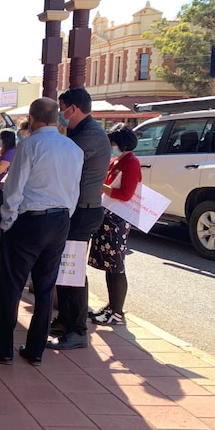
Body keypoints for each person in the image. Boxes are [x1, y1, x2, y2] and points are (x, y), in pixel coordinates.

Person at [0, 97, 83, 365]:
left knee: (10, 285)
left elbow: (14, 187)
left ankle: (1, 348)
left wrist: (7, 222)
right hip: (60, 220)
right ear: (57, 118)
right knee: (45, 288)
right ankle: (35, 350)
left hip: (30, 220)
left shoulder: (30, 145)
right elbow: (74, 189)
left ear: (33, 118)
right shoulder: (73, 148)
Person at [48, 88, 111, 350]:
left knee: (72, 270)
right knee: (66, 266)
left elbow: (61, 159)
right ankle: (65, 319)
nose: (60, 115)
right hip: (75, 208)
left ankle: (78, 330)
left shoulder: (90, 136)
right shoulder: (80, 132)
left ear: (72, 109)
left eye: (61, 109)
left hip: (83, 211)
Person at [88, 125, 141, 326]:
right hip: (108, 216)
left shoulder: (131, 163)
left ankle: (117, 311)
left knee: (116, 266)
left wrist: (101, 186)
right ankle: (111, 306)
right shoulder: (119, 160)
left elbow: (126, 194)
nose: (112, 146)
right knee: (109, 266)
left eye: (114, 142)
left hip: (117, 220)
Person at [0, 129, 17, 249]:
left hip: (4, 188)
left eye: (0, 138)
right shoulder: (2, 152)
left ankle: (3, 242)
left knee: (3, 216)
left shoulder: (10, 152)